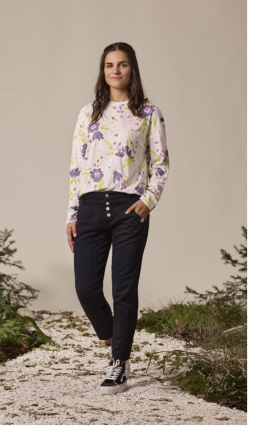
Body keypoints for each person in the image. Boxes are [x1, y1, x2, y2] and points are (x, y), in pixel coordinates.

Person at [66, 42, 170, 394]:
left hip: (129, 209)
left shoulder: (148, 113)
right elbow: (76, 166)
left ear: (131, 69)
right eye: (109, 65)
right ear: (103, 70)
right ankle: (116, 342)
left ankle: (119, 363)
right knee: (86, 288)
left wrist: (148, 200)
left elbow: (160, 163)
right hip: (91, 207)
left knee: (124, 289)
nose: (115, 70)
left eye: (122, 64)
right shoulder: (89, 113)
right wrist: (72, 214)